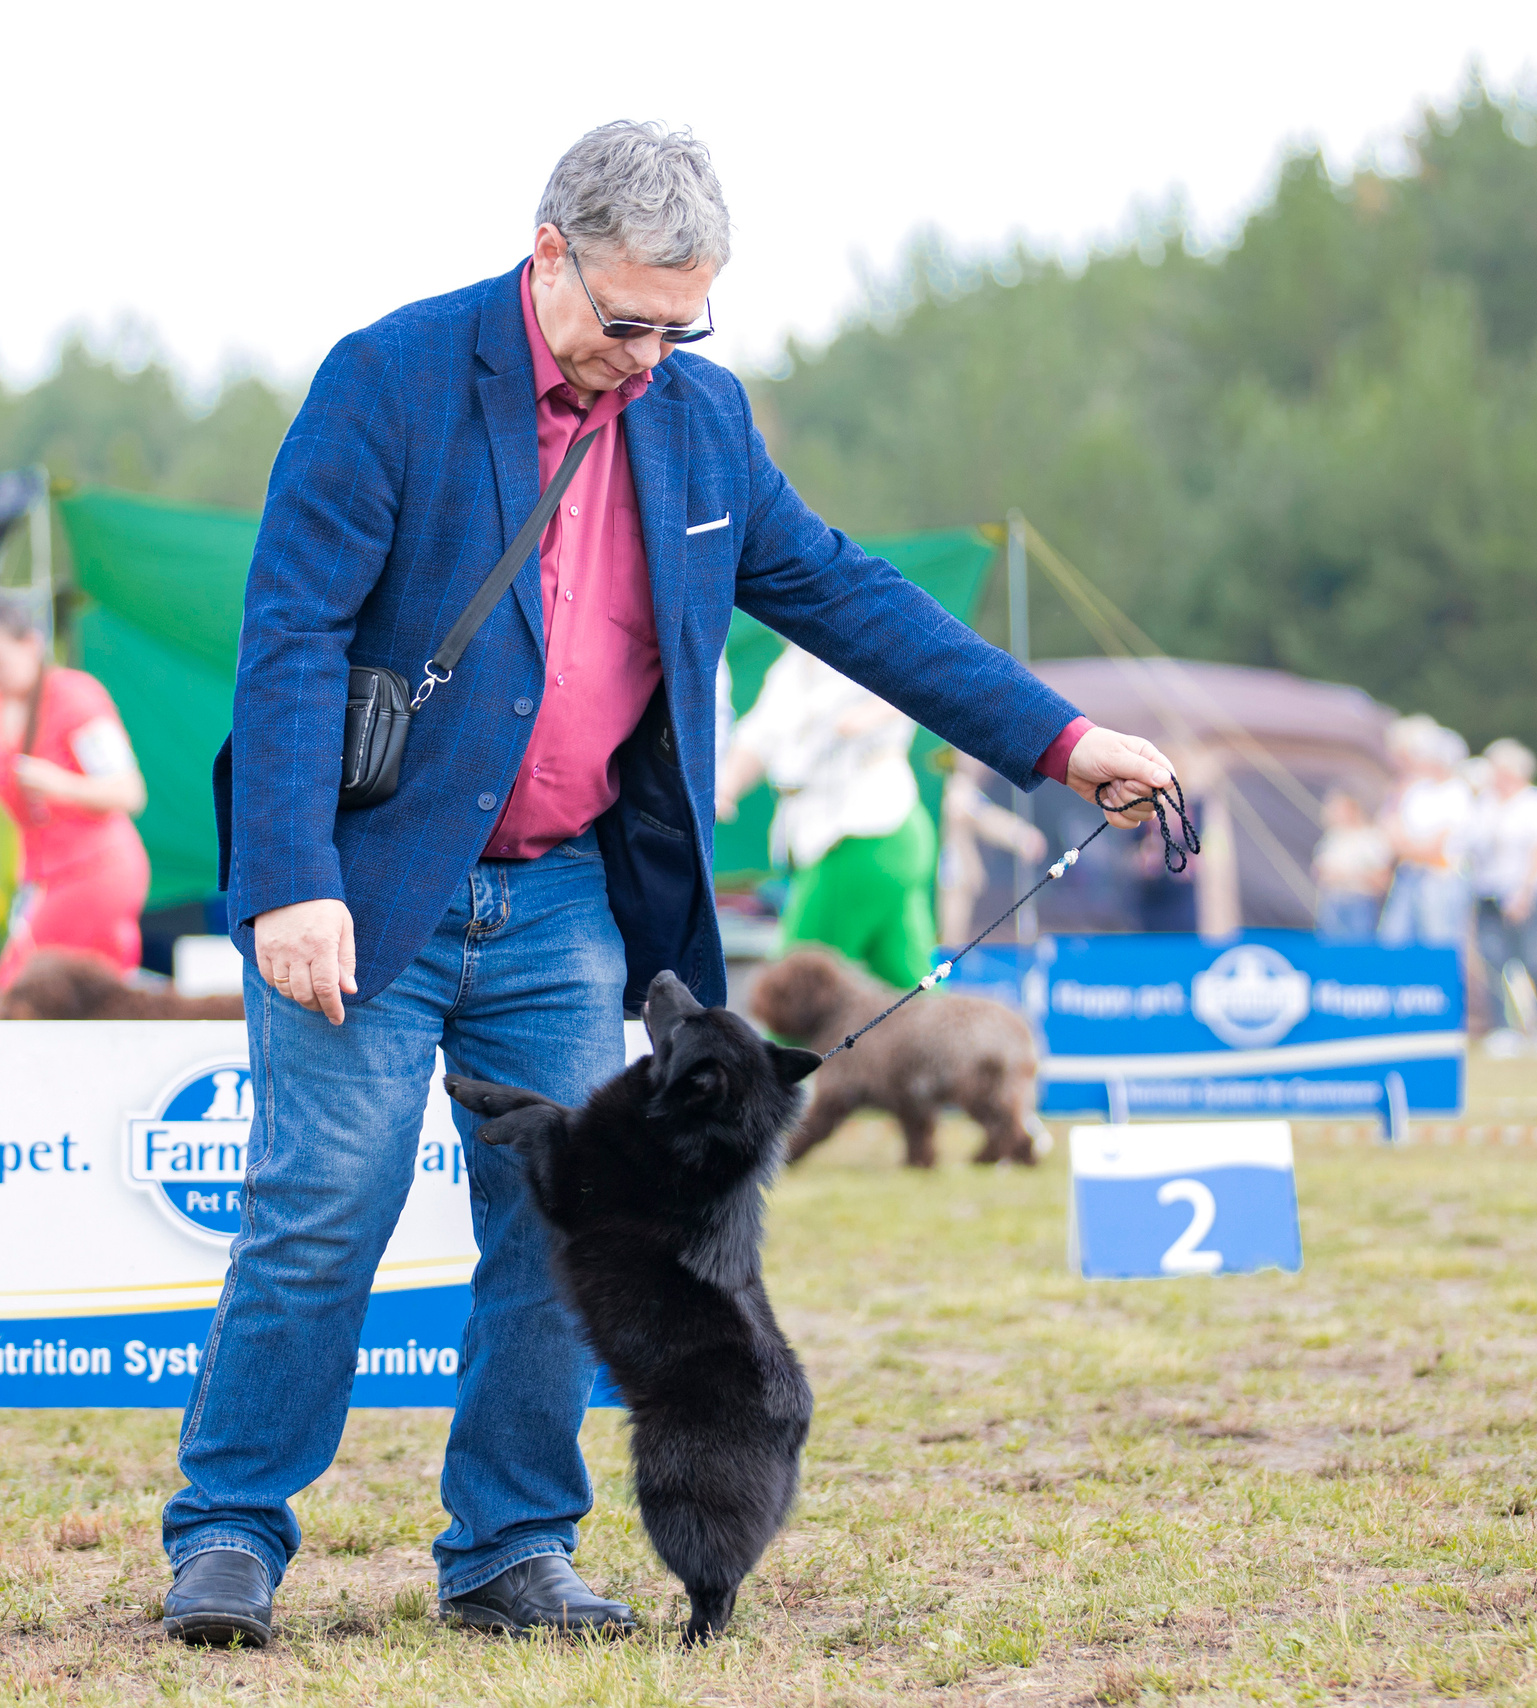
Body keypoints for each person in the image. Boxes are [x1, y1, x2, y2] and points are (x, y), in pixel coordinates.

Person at [163, 120, 1175, 1647]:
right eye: (622, 319)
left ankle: (508, 1551)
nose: (645, 355)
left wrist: (1063, 737)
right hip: (364, 892)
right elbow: (292, 631)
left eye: (679, 325)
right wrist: (293, 878)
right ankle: (231, 1534)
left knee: (574, 1226)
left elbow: (846, 595)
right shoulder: (390, 379)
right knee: (325, 1205)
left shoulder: (700, 422)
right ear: (547, 253)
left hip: (570, 900)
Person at [0, 592, 149, 992]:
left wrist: (60, 784)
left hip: (97, 870)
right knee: (60, 1000)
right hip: (37, 880)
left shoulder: (76, 696)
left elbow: (129, 792)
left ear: (31, 645)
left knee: (23, 991)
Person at [716, 642, 938, 986]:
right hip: (873, 837)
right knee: (910, 987)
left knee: (793, 994)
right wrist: (724, 789)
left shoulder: (871, 631)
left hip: (865, 832)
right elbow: (760, 736)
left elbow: (931, 675)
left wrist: (878, 711)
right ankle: (973, 1040)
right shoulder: (792, 662)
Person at [1465, 738, 1537, 1033]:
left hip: (1528, 894)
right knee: (1493, 962)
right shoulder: (1485, 804)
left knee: (1535, 960)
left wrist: (1524, 892)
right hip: (1489, 892)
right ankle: (1502, 1027)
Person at [935, 750, 1048, 946]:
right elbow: (980, 815)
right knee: (947, 940)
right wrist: (1020, 835)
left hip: (953, 874)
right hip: (948, 874)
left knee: (950, 941)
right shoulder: (956, 786)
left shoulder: (959, 785)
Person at [1378, 718, 1473, 950]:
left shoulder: (1458, 792)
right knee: (1393, 938)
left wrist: (1410, 849)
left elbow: (1437, 847)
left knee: (1437, 939)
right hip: (1410, 874)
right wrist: (1414, 849)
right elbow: (1392, 832)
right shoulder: (1416, 790)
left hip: (1440, 878)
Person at [1310, 790, 1391, 941]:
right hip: (1333, 900)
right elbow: (1319, 872)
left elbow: (1381, 879)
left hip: (1360, 901)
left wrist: (1347, 875)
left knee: (1360, 947)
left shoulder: (1371, 838)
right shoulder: (1332, 838)